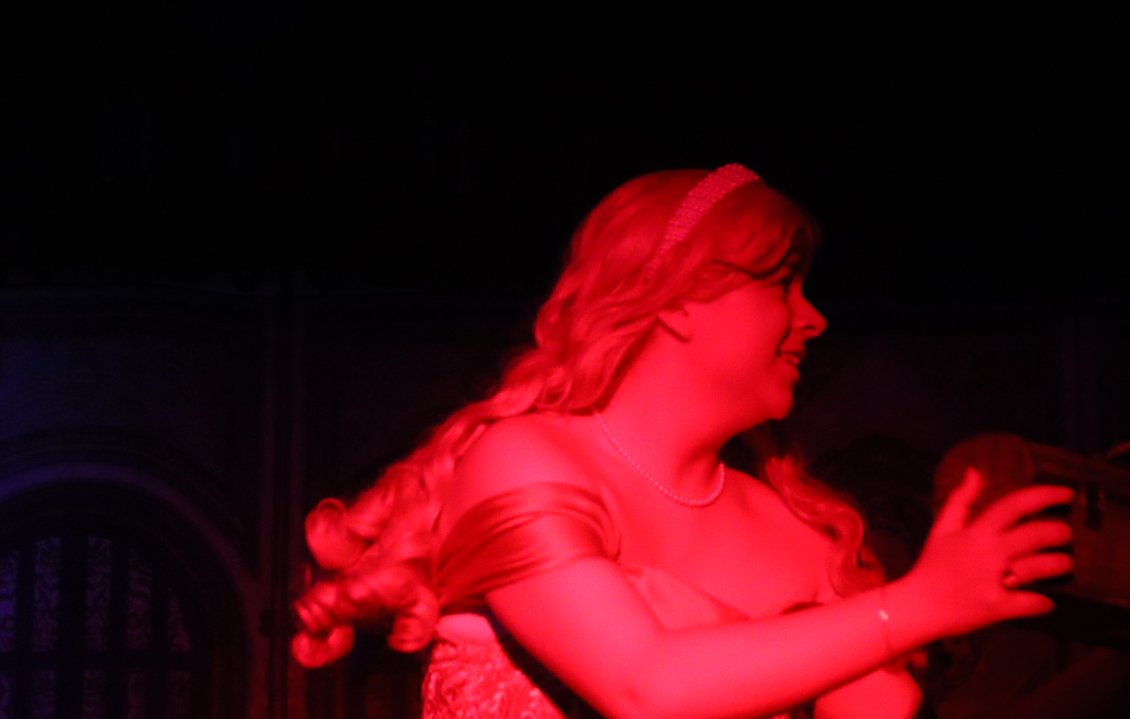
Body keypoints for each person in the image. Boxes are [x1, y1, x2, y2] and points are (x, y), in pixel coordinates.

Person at [290, 164, 1075, 718]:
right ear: (676, 298)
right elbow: (644, 685)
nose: (814, 318)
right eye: (782, 284)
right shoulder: (526, 459)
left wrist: (1120, 676)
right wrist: (920, 602)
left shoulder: (803, 540)